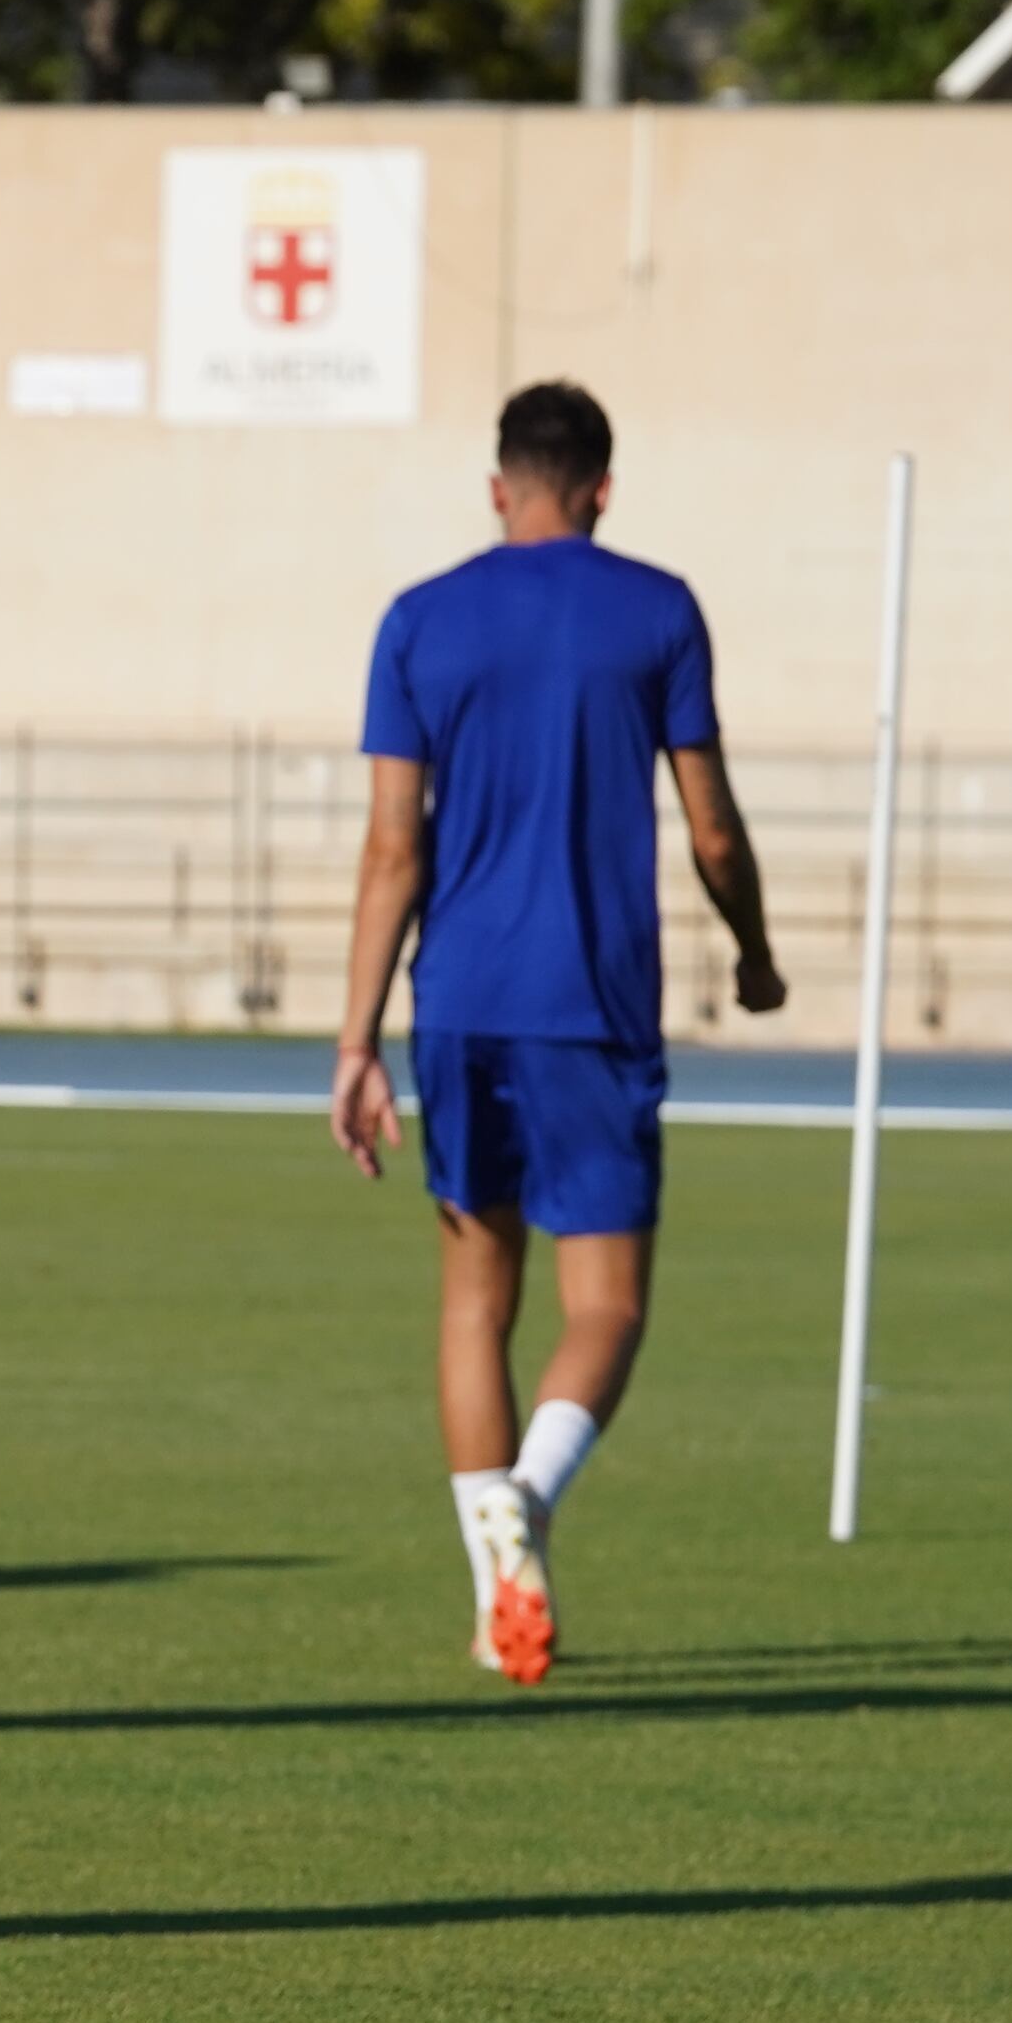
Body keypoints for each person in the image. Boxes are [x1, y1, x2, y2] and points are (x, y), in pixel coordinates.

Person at [328, 381, 784, 1684]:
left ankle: (497, 1593)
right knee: (610, 1304)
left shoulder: (418, 619)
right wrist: (752, 951)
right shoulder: (657, 608)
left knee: (477, 1302)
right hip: (591, 1003)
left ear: (495, 487)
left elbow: (389, 847)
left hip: (458, 1000)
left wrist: (355, 1040)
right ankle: (529, 1493)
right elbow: (709, 827)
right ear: (601, 487)